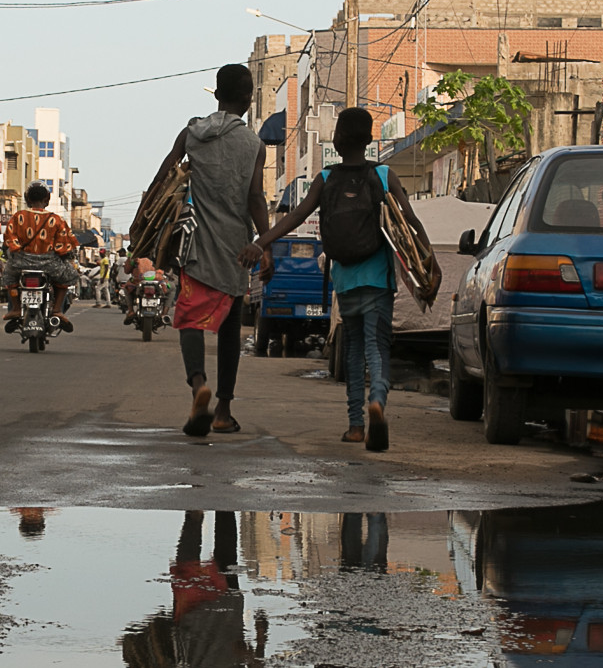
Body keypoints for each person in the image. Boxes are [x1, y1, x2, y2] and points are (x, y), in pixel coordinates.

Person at [247, 107, 437, 452]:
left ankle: (354, 425)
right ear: (368, 140)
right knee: (377, 346)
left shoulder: (325, 177)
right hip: (378, 278)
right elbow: (409, 221)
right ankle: (377, 400)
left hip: (345, 279)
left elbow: (297, 217)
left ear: (337, 139)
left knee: (351, 348)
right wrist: (428, 264)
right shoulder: (383, 174)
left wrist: (261, 242)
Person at [133, 64, 272, 437]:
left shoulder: (192, 132)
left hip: (194, 242)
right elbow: (256, 198)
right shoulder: (253, 144)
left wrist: (143, 222)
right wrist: (265, 244)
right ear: (249, 98)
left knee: (189, 319)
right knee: (229, 328)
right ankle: (224, 410)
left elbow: (164, 174)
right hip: (235, 247)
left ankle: (198, 385)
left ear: (214, 94)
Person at [1, 182, 79, 331]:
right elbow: (63, 245)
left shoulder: (18, 217)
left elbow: (10, 239)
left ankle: (16, 308)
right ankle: (57, 310)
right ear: (47, 200)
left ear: (28, 199)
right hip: (49, 264)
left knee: (9, 278)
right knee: (67, 277)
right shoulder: (57, 220)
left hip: (21, 263)